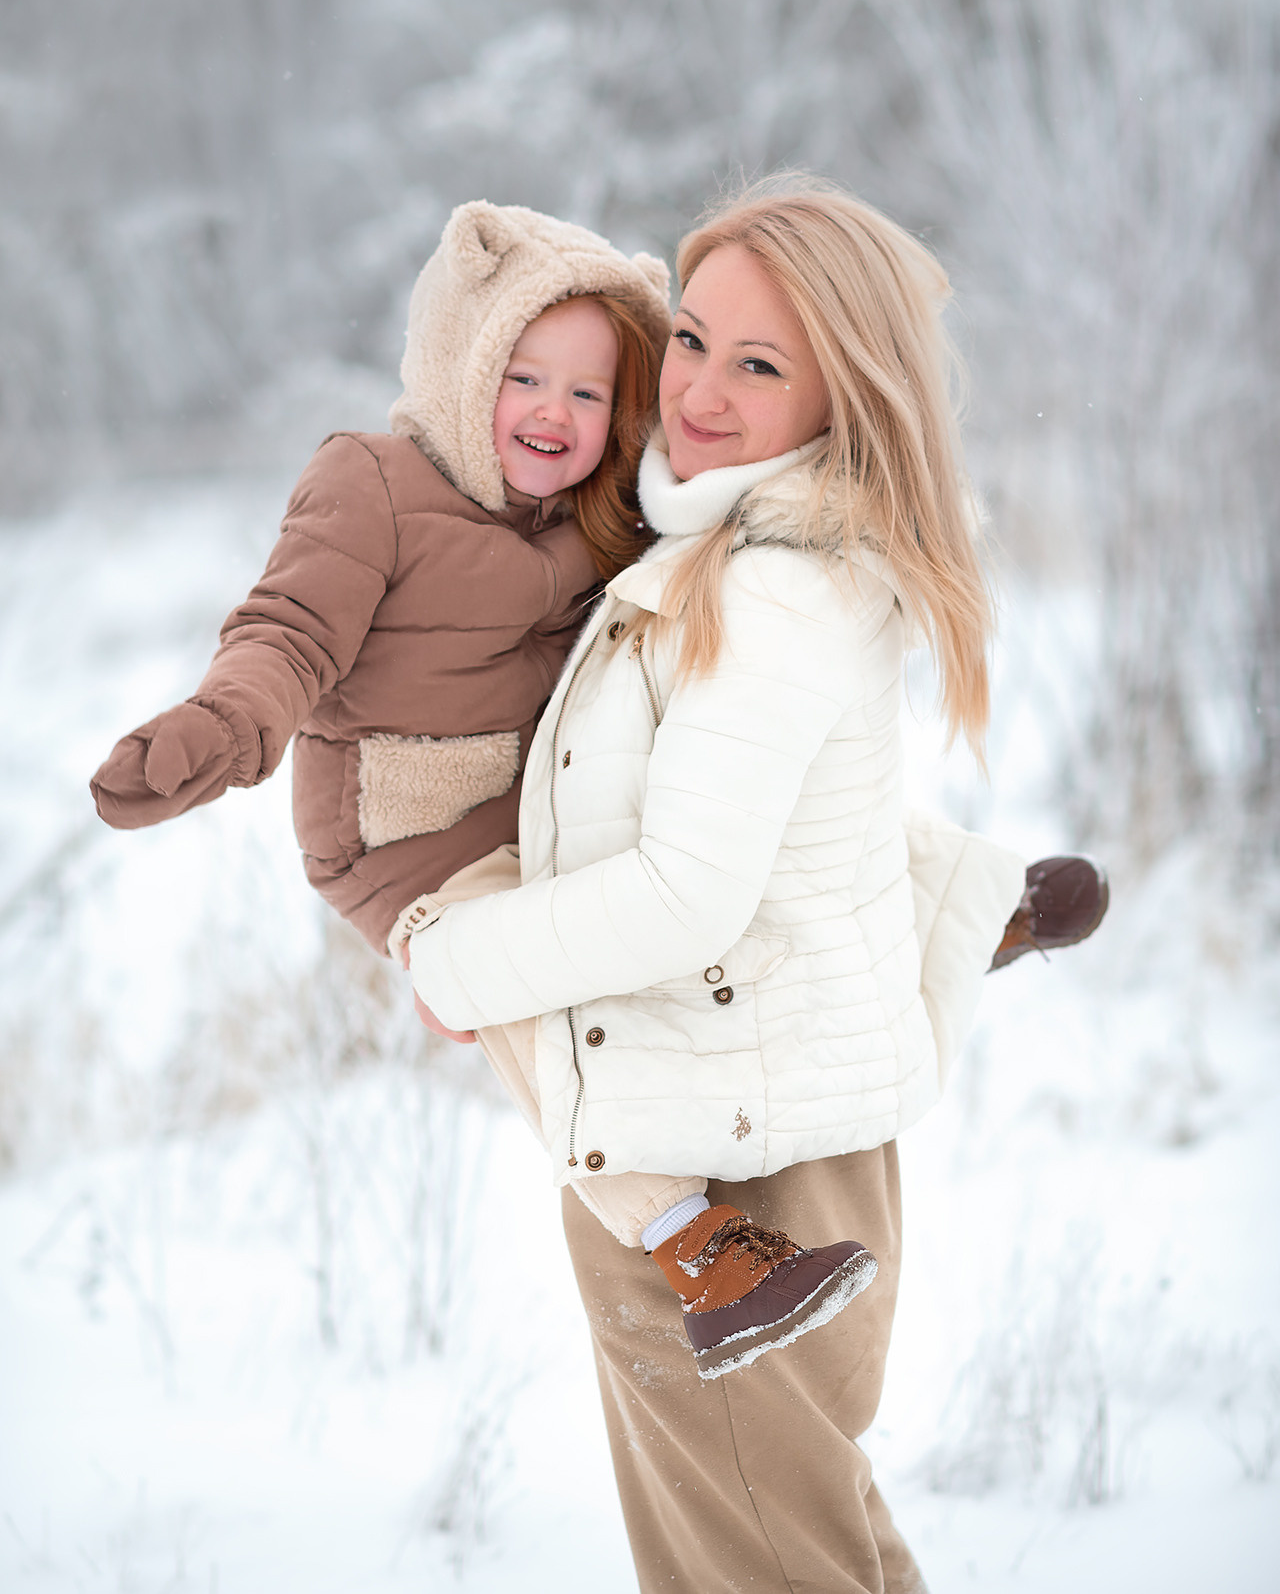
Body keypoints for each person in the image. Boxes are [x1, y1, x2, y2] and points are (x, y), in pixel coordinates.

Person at [400, 178, 1108, 1594]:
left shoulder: (772, 587)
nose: (701, 392)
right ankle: (974, 910)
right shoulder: (748, 557)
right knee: (809, 1555)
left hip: (729, 1174)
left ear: (845, 396)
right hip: (770, 1124)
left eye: (762, 363)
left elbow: (684, 896)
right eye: (693, 339)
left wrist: (450, 962)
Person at [89, 201, 670, 956]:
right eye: (522, 377)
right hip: (406, 835)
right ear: (461, 364)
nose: (554, 410)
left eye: (587, 393)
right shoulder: (375, 484)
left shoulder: (606, 518)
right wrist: (226, 722)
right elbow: (291, 631)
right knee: (563, 1004)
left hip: (545, 824)